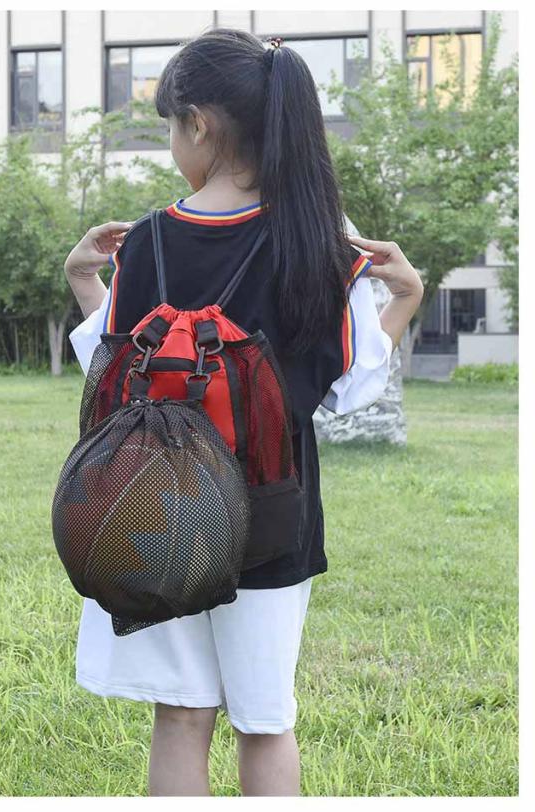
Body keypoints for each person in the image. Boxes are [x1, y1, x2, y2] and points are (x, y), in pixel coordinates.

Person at [63, 29, 423, 797]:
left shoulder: (145, 242)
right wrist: (406, 300)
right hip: (273, 519)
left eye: (169, 127)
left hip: (157, 516)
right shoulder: (318, 244)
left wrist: (86, 281)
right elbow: (347, 388)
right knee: (264, 722)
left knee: (180, 714)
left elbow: (113, 372)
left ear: (197, 124)